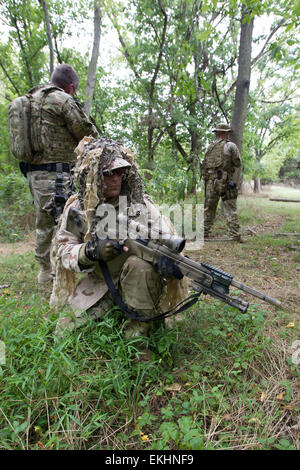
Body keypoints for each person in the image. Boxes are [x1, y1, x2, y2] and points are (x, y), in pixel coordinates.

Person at [50, 136, 188, 341]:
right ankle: (116, 312)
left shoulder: (141, 205)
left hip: (139, 281)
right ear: (92, 175)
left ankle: (137, 339)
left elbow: (167, 241)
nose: (115, 178)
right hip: (99, 282)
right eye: (107, 173)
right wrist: (90, 251)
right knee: (63, 336)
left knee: (140, 266)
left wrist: (168, 264)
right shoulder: (78, 208)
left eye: (119, 172)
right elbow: (63, 250)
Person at [25, 64, 98, 283]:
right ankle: (56, 272)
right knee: (61, 220)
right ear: (70, 86)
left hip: (33, 174)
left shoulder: (31, 99)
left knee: (42, 221)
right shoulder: (62, 100)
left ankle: (44, 269)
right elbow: (87, 133)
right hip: (56, 173)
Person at [200, 122, 244, 242]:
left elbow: (204, 166)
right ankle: (234, 234)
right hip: (226, 181)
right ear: (226, 133)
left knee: (209, 208)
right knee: (230, 207)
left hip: (210, 182)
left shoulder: (209, 147)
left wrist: (207, 179)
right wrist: (235, 182)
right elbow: (238, 164)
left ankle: (204, 232)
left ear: (217, 133)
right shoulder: (231, 146)